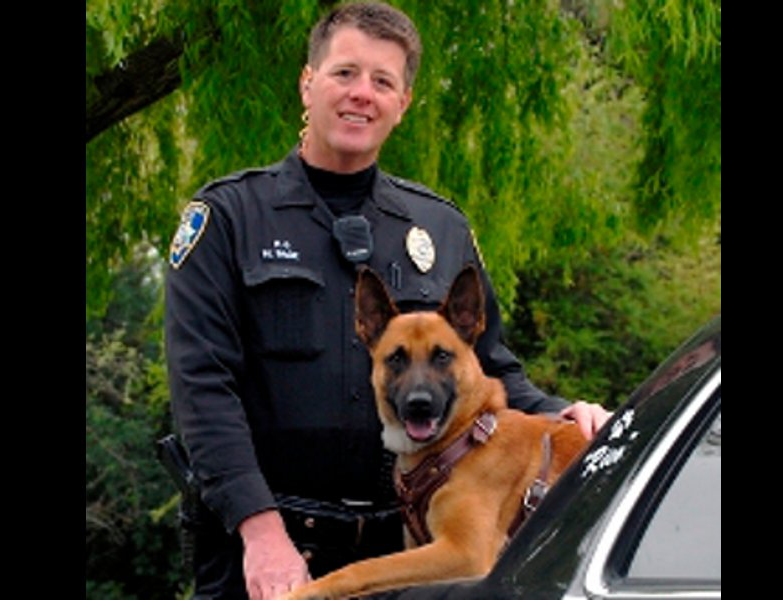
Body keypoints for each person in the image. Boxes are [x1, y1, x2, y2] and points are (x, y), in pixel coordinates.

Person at [164, 3, 610, 599]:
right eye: (344, 73)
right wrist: (260, 531)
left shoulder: (442, 227)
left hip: (407, 551)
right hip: (266, 552)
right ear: (307, 82)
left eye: (383, 82)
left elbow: (490, 368)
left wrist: (567, 415)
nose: (361, 95)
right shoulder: (229, 218)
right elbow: (202, 389)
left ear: (403, 104)